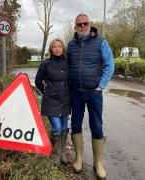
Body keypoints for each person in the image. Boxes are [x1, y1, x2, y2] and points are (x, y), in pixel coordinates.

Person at [67, 13, 114, 179]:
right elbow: (64, 67)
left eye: (85, 23)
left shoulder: (101, 43)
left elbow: (109, 65)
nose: (82, 26)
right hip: (75, 92)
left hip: (93, 93)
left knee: (96, 125)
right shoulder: (70, 45)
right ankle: (79, 158)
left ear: (90, 24)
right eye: (79, 24)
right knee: (76, 123)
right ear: (75, 27)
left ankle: (98, 162)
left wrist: (101, 86)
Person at [35, 38, 70, 166]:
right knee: (57, 128)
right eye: (54, 46)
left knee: (64, 128)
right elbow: (38, 81)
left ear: (63, 48)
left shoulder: (67, 62)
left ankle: (62, 153)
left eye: (59, 46)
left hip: (65, 100)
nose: (57, 48)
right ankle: (55, 154)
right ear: (51, 49)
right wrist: (46, 92)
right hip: (51, 100)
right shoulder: (46, 64)